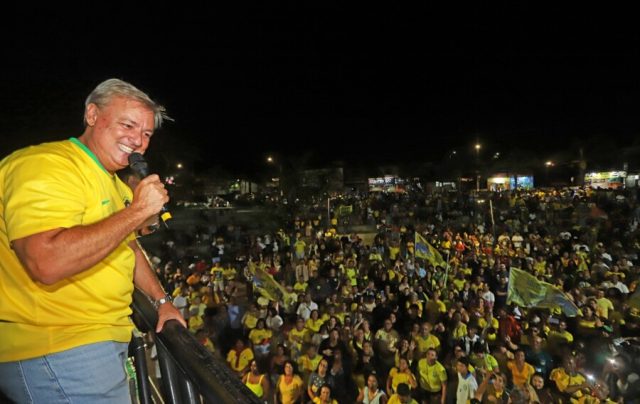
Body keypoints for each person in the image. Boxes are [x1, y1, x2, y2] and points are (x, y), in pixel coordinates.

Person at [0, 78, 186, 403]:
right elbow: (47, 261)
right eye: (128, 125)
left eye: (146, 134)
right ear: (92, 115)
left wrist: (161, 301)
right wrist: (138, 210)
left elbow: (127, 246)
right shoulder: (45, 165)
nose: (138, 141)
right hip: (59, 348)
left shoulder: (110, 182)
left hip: (95, 342)